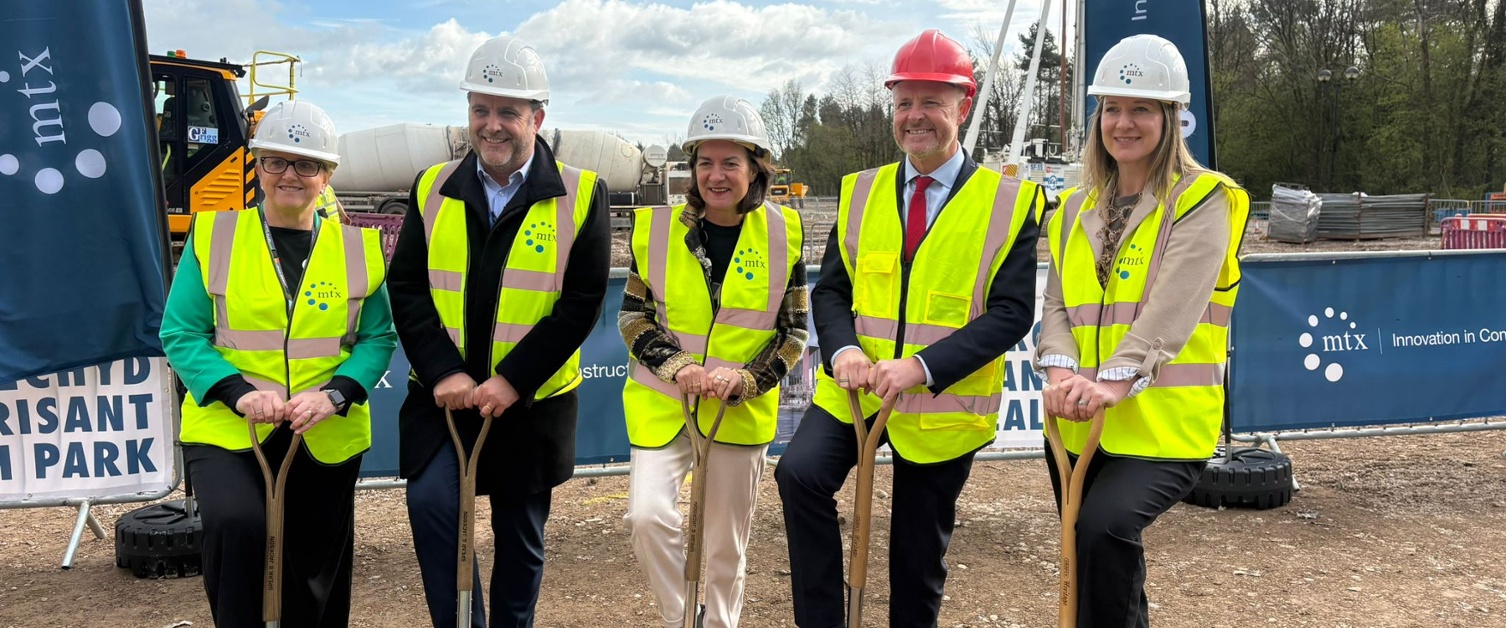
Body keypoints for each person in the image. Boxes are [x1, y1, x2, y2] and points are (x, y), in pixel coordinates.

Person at [773, 29, 1043, 628]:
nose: (915, 116)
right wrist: (841, 348)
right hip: (857, 393)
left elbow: (1010, 313)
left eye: (932, 102)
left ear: (962, 107)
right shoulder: (860, 191)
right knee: (799, 476)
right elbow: (834, 290)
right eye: (904, 102)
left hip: (941, 407)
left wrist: (921, 367)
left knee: (917, 558)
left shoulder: (1008, 202)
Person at [387, 34, 611, 628]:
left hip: (531, 405)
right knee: (434, 510)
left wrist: (512, 380)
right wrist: (444, 371)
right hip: (443, 403)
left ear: (537, 117)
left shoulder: (581, 194)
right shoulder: (431, 187)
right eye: (480, 110)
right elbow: (406, 287)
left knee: (520, 540)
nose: (492, 126)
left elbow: (581, 302)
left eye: (508, 112)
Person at [1034, 34, 1249, 627]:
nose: (1123, 122)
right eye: (1112, 108)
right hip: (1081, 425)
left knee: (1105, 531)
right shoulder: (1075, 208)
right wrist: (1058, 367)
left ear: (1173, 118)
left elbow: (1174, 304)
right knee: (1091, 566)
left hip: (1163, 428)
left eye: (1142, 109)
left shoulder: (1206, 200)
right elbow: (1056, 305)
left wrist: (1117, 377)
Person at [159, 99, 396, 627]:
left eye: (307, 164)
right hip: (228, 429)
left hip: (325, 429)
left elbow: (379, 337)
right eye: (276, 161)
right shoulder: (214, 236)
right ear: (257, 165)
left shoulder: (362, 250)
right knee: (238, 527)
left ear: (327, 174)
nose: (290, 175)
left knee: (314, 568)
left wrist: (334, 395)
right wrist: (236, 392)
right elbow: (180, 333)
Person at [619, 96, 808, 628]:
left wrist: (748, 379)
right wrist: (679, 367)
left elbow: (792, 333)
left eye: (730, 163)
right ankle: (686, 620)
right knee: (646, 516)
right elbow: (634, 319)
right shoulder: (655, 231)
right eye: (705, 162)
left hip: (737, 415)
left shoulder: (783, 233)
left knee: (724, 551)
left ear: (755, 169)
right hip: (666, 410)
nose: (716, 175)